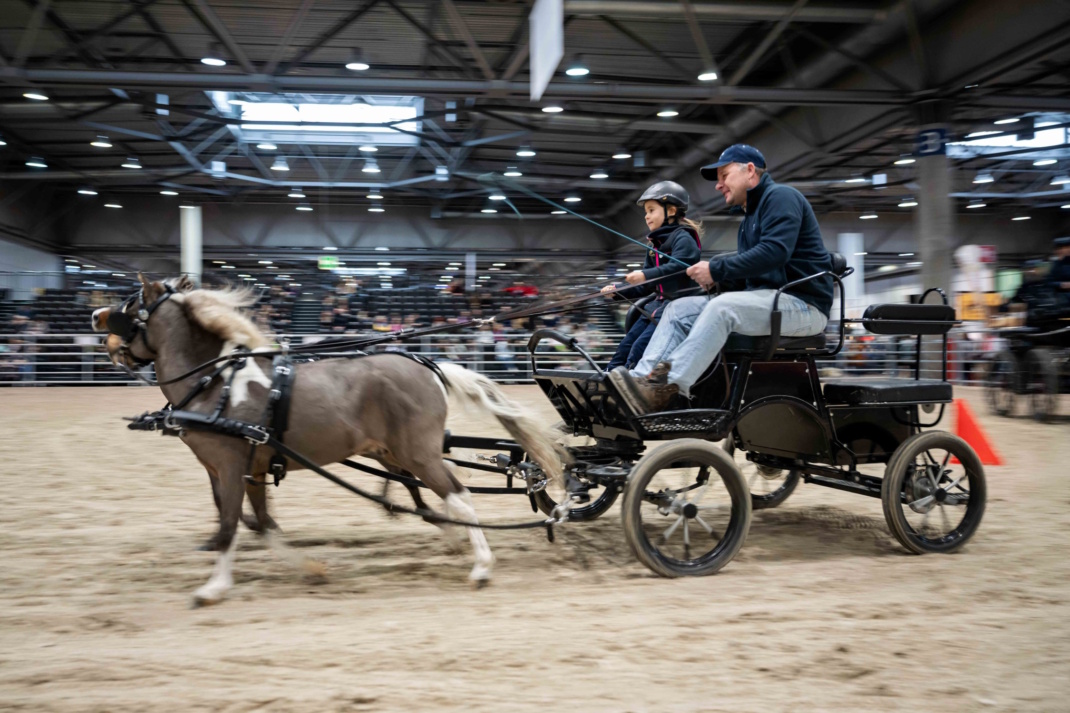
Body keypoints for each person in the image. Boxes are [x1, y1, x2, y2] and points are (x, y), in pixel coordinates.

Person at [610, 144, 833, 414]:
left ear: (749, 171)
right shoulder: (749, 220)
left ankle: (668, 386)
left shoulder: (782, 197)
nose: (718, 185)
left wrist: (716, 269)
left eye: (724, 176)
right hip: (770, 301)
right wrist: (718, 281)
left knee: (722, 307)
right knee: (677, 309)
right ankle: (640, 385)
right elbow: (754, 274)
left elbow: (775, 253)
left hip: (803, 305)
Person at [602, 181, 703, 371]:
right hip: (655, 308)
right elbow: (646, 287)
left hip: (676, 310)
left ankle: (630, 382)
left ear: (671, 211)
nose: (646, 216)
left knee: (639, 349)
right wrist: (619, 291)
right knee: (624, 347)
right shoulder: (653, 247)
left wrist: (645, 274)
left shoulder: (684, 238)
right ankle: (609, 378)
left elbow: (679, 267)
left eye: (651, 210)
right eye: (646, 212)